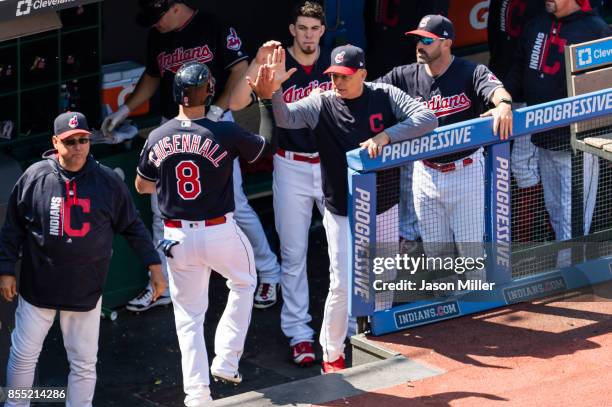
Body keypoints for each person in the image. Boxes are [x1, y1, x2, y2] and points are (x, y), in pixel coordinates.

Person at [249, 45, 437, 372]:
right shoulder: (322, 101)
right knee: (342, 284)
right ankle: (332, 355)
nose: (338, 81)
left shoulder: (384, 94)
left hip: (385, 206)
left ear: (362, 74)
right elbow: (286, 118)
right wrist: (272, 94)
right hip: (342, 211)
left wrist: (386, 137)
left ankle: (376, 343)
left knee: (383, 280)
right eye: (334, 75)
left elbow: (428, 118)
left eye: (345, 76)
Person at [103, 0, 280, 312]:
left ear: (175, 7)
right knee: (162, 207)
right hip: (173, 124)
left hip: (215, 121)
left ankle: (268, 271)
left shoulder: (214, 26)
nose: (155, 24)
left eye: (158, 17)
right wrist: (125, 109)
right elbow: (152, 75)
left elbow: (240, 69)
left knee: (234, 203)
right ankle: (165, 286)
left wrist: (218, 108)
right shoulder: (158, 35)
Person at [0, 112, 166, 407]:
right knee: (23, 356)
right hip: (39, 287)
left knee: (84, 363)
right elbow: (12, 226)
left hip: (85, 289)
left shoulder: (107, 181)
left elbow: (132, 226)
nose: (78, 147)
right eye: (70, 141)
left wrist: (155, 267)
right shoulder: (36, 176)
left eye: (83, 140)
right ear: (55, 142)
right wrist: (6, 269)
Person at [135, 61, 268, 407]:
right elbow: (262, 147)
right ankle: (225, 359)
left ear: (176, 94)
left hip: (176, 236)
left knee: (189, 318)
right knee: (244, 282)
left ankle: (197, 396)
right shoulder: (222, 131)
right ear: (208, 91)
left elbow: (142, 185)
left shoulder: (157, 136)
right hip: (219, 231)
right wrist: (265, 102)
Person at [229, 1, 331, 366]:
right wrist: (258, 62)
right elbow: (237, 102)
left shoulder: (335, 60)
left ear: (322, 30)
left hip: (329, 164)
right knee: (293, 256)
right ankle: (299, 334)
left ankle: (347, 325)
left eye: (314, 28)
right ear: (292, 29)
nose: (308, 34)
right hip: (291, 167)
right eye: (302, 28)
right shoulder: (276, 64)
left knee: (342, 251)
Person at [376, 15, 513, 262]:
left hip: (466, 171)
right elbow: (368, 93)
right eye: (417, 40)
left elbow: (496, 90)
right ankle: (447, 299)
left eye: (426, 40)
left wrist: (503, 104)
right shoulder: (404, 75)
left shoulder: (470, 71)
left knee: (471, 253)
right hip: (425, 174)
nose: (419, 46)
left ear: (446, 43)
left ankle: (478, 300)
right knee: (436, 253)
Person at [504, 0, 611, 245]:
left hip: (577, 147)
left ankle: (571, 278)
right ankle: (566, 274)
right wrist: (500, 99)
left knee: (573, 223)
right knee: (555, 214)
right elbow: (519, 71)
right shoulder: (537, 24)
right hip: (543, 139)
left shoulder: (596, 30)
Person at [488, 0, 546, 242]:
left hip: (524, 99)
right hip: (499, 93)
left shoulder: (542, 6)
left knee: (523, 166)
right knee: (500, 165)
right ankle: (511, 235)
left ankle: (526, 240)